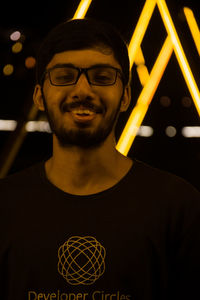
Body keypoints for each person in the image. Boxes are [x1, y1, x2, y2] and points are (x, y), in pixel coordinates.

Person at [0, 18, 200, 300]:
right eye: (64, 75)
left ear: (126, 96)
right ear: (39, 96)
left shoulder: (180, 209)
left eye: (102, 77)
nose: (82, 91)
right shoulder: (5, 207)